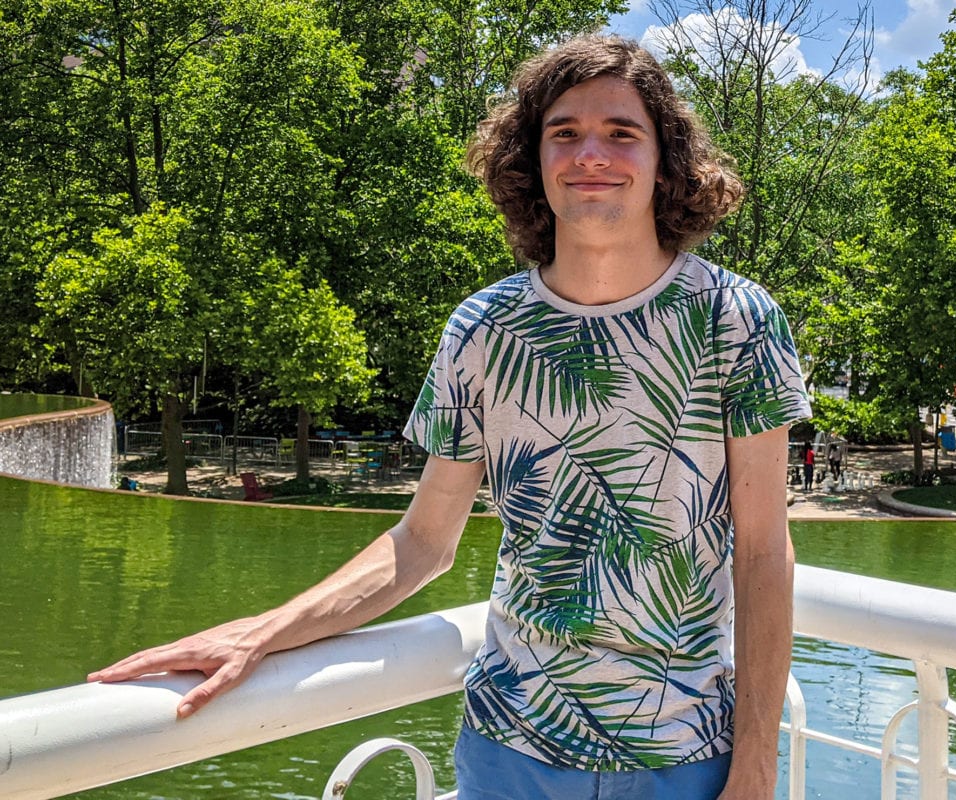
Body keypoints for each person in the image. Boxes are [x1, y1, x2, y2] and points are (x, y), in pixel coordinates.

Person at [89, 36, 812, 800]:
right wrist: (261, 632)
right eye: (563, 132)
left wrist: (756, 762)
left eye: (621, 132)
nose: (590, 152)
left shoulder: (736, 318)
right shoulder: (484, 330)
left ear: (664, 161)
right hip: (508, 755)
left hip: (688, 757)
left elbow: (763, 553)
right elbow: (425, 542)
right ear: (532, 160)